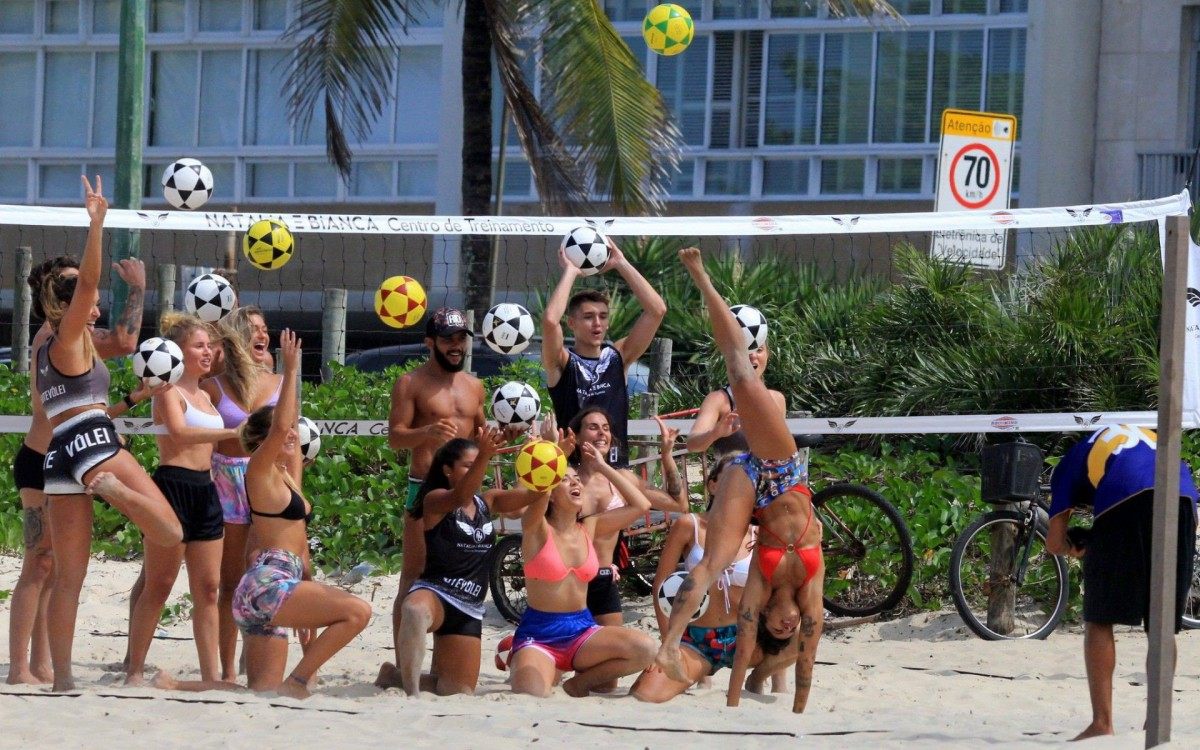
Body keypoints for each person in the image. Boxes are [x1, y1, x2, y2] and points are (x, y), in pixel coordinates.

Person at [654, 247, 823, 714]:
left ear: (767, 352)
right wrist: (720, 429)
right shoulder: (721, 396)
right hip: (741, 472)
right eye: (753, 348)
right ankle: (668, 645)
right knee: (709, 563)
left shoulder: (774, 397)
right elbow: (695, 445)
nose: (757, 354)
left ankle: (680, 650)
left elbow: (766, 420)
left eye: (760, 349)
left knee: (724, 570)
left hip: (767, 478)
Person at [40, 176, 183, 692]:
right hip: (95, 445)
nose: (95, 304)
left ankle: (62, 681)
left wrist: (128, 402)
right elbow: (90, 284)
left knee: (69, 581)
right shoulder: (71, 332)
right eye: (86, 297)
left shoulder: (46, 348)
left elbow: (116, 345)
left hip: (61, 456)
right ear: (70, 302)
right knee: (169, 533)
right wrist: (97, 223)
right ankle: (115, 490)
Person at [8, 255, 146, 685]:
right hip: (40, 460)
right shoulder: (52, 335)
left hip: (70, 460)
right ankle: (18, 669)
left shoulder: (81, 338)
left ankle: (43, 663)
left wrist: (138, 290)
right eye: (86, 296)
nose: (93, 305)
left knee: (56, 567)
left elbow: (125, 342)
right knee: (39, 562)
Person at [233, 329, 372, 699]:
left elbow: (300, 539)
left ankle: (176, 685)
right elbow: (280, 426)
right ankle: (297, 683)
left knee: (260, 692)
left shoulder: (287, 477)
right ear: (266, 441)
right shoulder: (258, 470)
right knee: (358, 612)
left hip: (283, 583)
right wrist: (291, 368)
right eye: (289, 432)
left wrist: (309, 587)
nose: (294, 435)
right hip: (267, 584)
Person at [1044, 425, 1198, 741]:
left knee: (1099, 618)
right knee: (1161, 621)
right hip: (1184, 496)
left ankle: (1102, 723)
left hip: (1125, 494)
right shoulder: (1143, 435)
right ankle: (1156, 719)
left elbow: (1053, 542)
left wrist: (1080, 545)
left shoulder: (1069, 463)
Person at [377, 429, 541, 696]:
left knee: (457, 690)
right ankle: (411, 694)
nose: (478, 468)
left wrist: (541, 458)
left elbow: (528, 497)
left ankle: (392, 676)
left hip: (469, 606)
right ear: (447, 470)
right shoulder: (434, 500)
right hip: (436, 593)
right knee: (415, 610)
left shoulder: (487, 501)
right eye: (469, 464)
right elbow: (459, 497)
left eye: (478, 463)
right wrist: (485, 455)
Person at [124, 313, 240, 686]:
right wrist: (234, 431)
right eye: (200, 346)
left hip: (206, 491)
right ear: (179, 352)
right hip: (172, 487)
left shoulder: (206, 395)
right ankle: (135, 671)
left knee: (208, 589)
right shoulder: (167, 390)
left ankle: (210, 676)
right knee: (159, 584)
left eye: (210, 346)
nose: (209, 352)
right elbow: (178, 433)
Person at [632, 454, 797, 703]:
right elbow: (660, 587)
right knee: (645, 694)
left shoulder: (760, 532)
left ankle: (763, 678)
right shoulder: (690, 525)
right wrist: (669, 643)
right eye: (732, 477)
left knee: (805, 629)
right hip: (699, 638)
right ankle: (695, 670)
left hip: (748, 636)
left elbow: (780, 590)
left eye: (748, 479)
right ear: (712, 484)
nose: (739, 485)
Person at [503, 442, 657, 698]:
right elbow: (535, 495)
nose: (576, 484)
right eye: (565, 480)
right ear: (550, 491)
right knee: (532, 695)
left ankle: (577, 684)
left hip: (581, 630)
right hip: (539, 634)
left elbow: (641, 505)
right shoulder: (537, 528)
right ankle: (515, 652)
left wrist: (602, 466)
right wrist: (551, 455)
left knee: (646, 649)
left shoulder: (590, 525)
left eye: (577, 479)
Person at [383, 307, 485, 672]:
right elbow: (395, 437)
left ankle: (448, 655)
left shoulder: (475, 386)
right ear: (431, 342)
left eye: (460, 339)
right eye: (448, 339)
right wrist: (425, 433)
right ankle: (402, 665)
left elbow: (482, 437)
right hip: (424, 488)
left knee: (462, 574)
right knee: (413, 576)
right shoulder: (410, 383)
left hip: (466, 491)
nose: (456, 346)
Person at [566, 407, 686, 691]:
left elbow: (677, 504)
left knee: (607, 682)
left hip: (604, 580)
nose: (601, 433)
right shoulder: (568, 477)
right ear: (578, 435)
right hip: (569, 580)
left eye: (606, 428)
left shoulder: (622, 479)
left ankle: (576, 687)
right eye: (593, 427)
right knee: (562, 653)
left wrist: (666, 456)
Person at [199, 305, 283, 681]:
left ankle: (258, 663)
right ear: (234, 340)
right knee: (230, 581)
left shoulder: (281, 383)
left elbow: (291, 444)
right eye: (252, 330)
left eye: (264, 329)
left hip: (266, 482)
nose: (261, 335)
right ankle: (228, 669)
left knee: (266, 576)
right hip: (226, 483)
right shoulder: (213, 386)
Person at [542, 236, 667, 467]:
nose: (597, 323)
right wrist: (570, 271)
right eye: (588, 317)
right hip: (574, 474)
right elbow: (550, 321)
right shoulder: (561, 362)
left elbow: (657, 310)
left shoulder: (619, 355)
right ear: (572, 323)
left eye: (603, 316)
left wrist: (621, 263)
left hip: (615, 471)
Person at [686, 343, 787, 456]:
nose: (753, 355)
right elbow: (692, 444)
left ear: (768, 354)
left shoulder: (777, 399)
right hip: (730, 472)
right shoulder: (718, 400)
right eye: (747, 349)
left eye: (759, 350)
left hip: (767, 473)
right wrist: (715, 433)